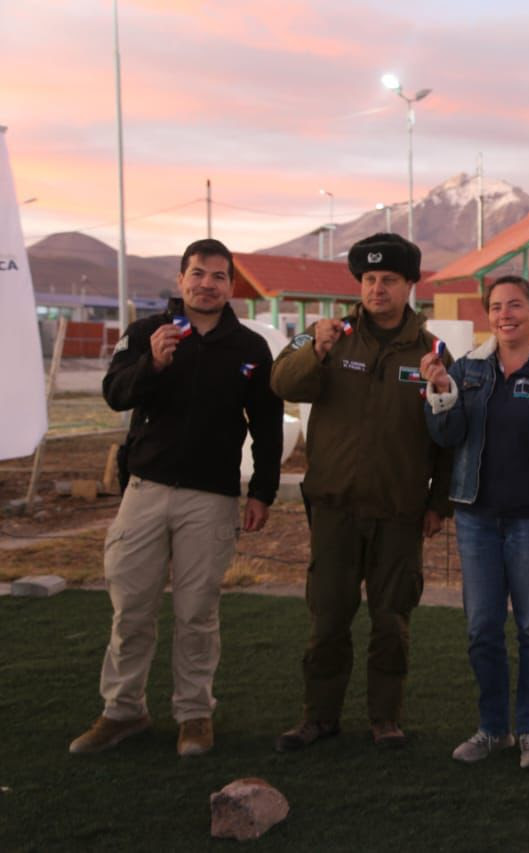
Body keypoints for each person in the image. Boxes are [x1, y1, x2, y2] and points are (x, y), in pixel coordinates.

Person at [70, 238, 282, 758]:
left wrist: (262, 493)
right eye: (197, 274)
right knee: (131, 608)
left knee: (197, 612)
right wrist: (154, 365)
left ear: (230, 285)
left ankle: (194, 714)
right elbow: (115, 393)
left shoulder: (250, 348)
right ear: (182, 278)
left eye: (218, 276)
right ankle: (123, 711)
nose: (206, 284)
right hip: (145, 490)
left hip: (210, 498)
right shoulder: (147, 334)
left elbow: (269, 427)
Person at [270, 232, 452, 751]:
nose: (377, 289)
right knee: (327, 618)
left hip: (399, 512)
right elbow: (282, 382)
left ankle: (385, 719)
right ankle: (318, 716)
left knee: (391, 622)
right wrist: (317, 352)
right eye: (369, 279)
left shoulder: (432, 352)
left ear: (409, 285)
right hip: (334, 507)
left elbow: (449, 433)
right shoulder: (325, 335)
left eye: (388, 280)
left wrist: (438, 504)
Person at [421, 275, 529, 770]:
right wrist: (440, 391)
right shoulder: (468, 368)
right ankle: (493, 728)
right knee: (482, 628)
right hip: (476, 518)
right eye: (496, 306)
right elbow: (447, 436)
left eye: (515, 305)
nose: (505, 314)